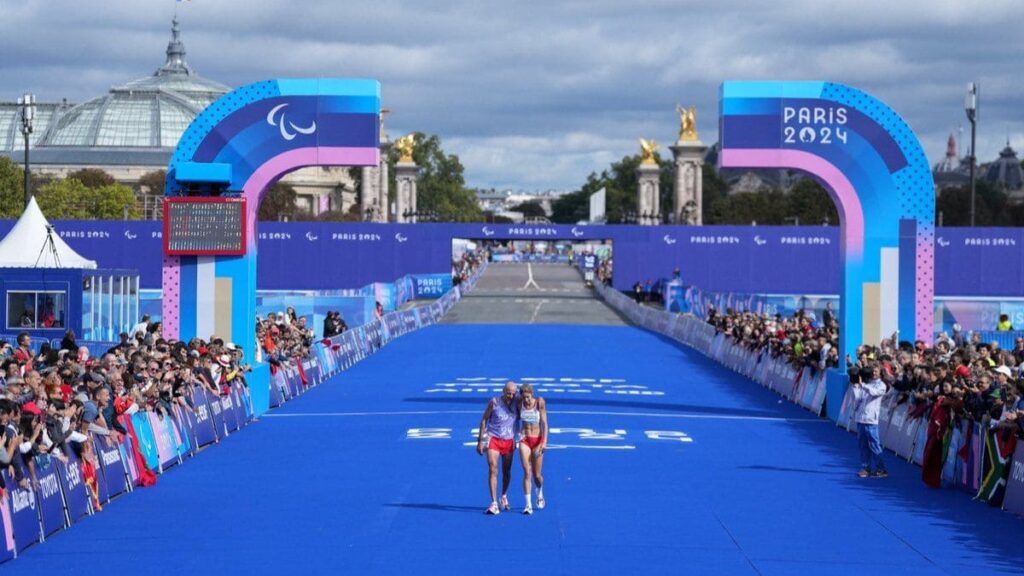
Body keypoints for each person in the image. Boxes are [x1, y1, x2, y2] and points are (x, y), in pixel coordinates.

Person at [477, 381, 518, 515]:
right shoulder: (494, 402)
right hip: (493, 438)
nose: (510, 396)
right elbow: (484, 420)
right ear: (503, 391)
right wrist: (480, 441)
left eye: (513, 394)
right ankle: (494, 503)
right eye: (508, 393)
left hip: (509, 440)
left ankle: (504, 495)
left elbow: (531, 402)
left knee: (506, 471)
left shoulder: (518, 403)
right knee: (493, 468)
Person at [850, 365, 888, 478]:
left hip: (871, 420)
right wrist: (855, 386)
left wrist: (862, 385)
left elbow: (873, 393)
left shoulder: (882, 385)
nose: (874, 373)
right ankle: (866, 468)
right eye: (873, 371)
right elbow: (857, 399)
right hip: (861, 418)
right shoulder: (867, 383)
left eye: (876, 371)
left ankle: (881, 469)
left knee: (874, 445)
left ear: (880, 373)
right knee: (862, 445)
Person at [517, 383, 547, 515]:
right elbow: (515, 420)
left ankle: (539, 491)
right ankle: (528, 505)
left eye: (528, 397)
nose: (526, 400)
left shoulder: (539, 402)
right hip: (525, 440)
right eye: (524, 397)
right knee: (527, 472)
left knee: (537, 475)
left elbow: (545, 424)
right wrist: (517, 434)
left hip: (537, 440)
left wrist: (544, 442)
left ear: (532, 395)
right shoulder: (519, 404)